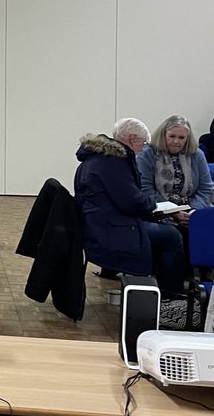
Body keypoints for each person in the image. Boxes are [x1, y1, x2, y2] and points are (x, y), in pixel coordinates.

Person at [74, 117, 184, 298]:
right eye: (143, 143)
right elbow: (132, 202)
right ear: (133, 139)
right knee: (172, 236)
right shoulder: (113, 162)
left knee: (163, 232)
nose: (143, 148)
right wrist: (153, 204)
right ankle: (171, 296)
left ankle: (158, 288)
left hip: (101, 222)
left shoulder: (99, 157)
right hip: (111, 229)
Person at [137, 115, 213, 227]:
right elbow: (146, 190)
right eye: (172, 136)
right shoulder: (146, 155)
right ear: (163, 135)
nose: (176, 141)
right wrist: (174, 212)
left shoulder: (197, 155)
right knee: (172, 235)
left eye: (181, 138)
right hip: (159, 212)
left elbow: (206, 189)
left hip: (193, 210)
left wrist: (194, 211)